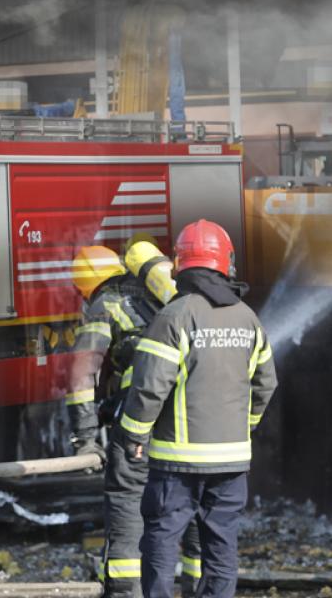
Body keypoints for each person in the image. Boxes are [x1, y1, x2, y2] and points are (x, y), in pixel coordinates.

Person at [118, 220, 278, 598]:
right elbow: (266, 384)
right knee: (221, 548)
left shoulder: (175, 316)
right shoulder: (248, 319)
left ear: (179, 263)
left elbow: (149, 385)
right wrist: (245, 425)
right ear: (226, 263)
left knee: (160, 540)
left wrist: (134, 433)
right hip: (232, 463)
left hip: (177, 465)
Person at [69, 243, 202, 598]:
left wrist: (84, 435)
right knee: (188, 497)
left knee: (127, 498)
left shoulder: (103, 306)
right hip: (182, 416)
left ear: (86, 285)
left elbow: (82, 376)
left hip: (137, 417)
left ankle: (125, 589)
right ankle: (197, 586)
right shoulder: (165, 300)